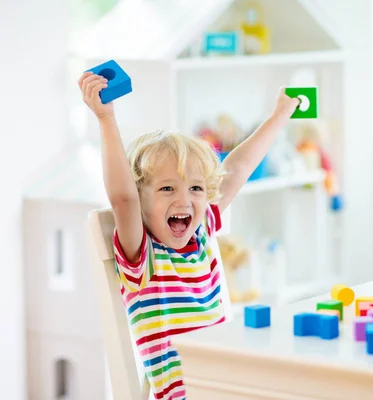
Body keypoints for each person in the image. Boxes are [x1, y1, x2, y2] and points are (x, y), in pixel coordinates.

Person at [78, 71, 299, 399]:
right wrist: (106, 117)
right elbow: (122, 198)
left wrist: (278, 118)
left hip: (226, 383)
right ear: (141, 202)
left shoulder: (201, 231)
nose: (184, 200)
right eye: (167, 188)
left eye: (196, 188)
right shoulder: (144, 256)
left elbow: (234, 171)